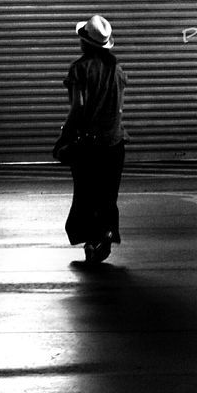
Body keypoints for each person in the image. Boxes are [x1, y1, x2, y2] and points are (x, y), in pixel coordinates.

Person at [60, 14, 128, 263]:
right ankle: (106, 234)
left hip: (89, 145)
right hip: (115, 143)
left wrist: (65, 136)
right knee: (108, 196)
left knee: (86, 195)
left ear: (86, 43)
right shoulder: (118, 71)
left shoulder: (80, 69)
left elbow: (77, 108)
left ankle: (92, 239)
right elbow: (118, 110)